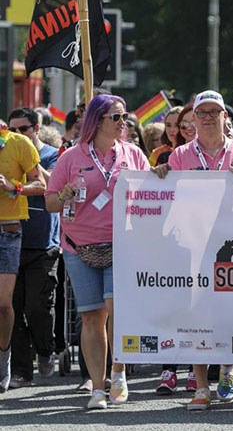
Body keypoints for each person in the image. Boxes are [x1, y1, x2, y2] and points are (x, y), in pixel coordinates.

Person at [150, 90, 233, 410]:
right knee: (196, 313)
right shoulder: (180, 154)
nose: (209, 117)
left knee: (229, 311)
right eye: (203, 112)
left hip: (232, 244)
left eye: (215, 112)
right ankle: (201, 384)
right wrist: (160, 178)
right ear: (193, 119)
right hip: (194, 243)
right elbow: (169, 195)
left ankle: (228, 367)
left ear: (227, 117)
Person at [44, 94, 150, 409]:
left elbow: (151, 194)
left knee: (116, 308)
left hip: (122, 244)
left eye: (125, 116)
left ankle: (118, 372)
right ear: (98, 121)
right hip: (79, 246)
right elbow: (50, 203)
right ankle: (97, 388)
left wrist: (159, 176)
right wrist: (62, 195)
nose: (123, 122)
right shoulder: (70, 157)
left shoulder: (133, 154)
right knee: (91, 316)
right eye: (116, 117)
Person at [7, 109, 60, 389]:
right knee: (11, 308)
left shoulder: (52, 154)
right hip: (11, 240)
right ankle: (21, 371)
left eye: (23, 129)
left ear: (36, 129)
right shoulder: (6, 154)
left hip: (43, 244)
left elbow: (55, 186)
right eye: (11, 131)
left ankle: (45, 349)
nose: (17, 136)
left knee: (37, 306)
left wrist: (30, 168)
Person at [0, 118, 46, 394]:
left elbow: (40, 184)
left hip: (8, 233)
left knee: (4, 305)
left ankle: (4, 359)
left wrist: (13, 187)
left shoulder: (18, 142)